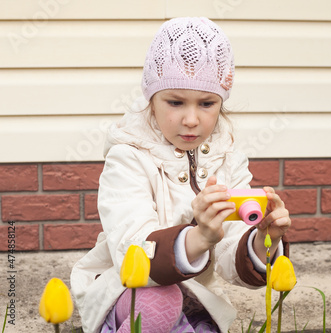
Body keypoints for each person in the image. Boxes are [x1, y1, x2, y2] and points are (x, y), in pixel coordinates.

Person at [71, 17, 291, 333]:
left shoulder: (227, 161)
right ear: (151, 100)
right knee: (160, 300)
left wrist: (263, 239)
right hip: (129, 293)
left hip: (196, 300)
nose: (191, 119)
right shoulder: (128, 157)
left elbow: (231, 256)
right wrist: (200, 237)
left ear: (221, 103)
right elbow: (132, 251)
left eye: (206, 103)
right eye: (175, 102)